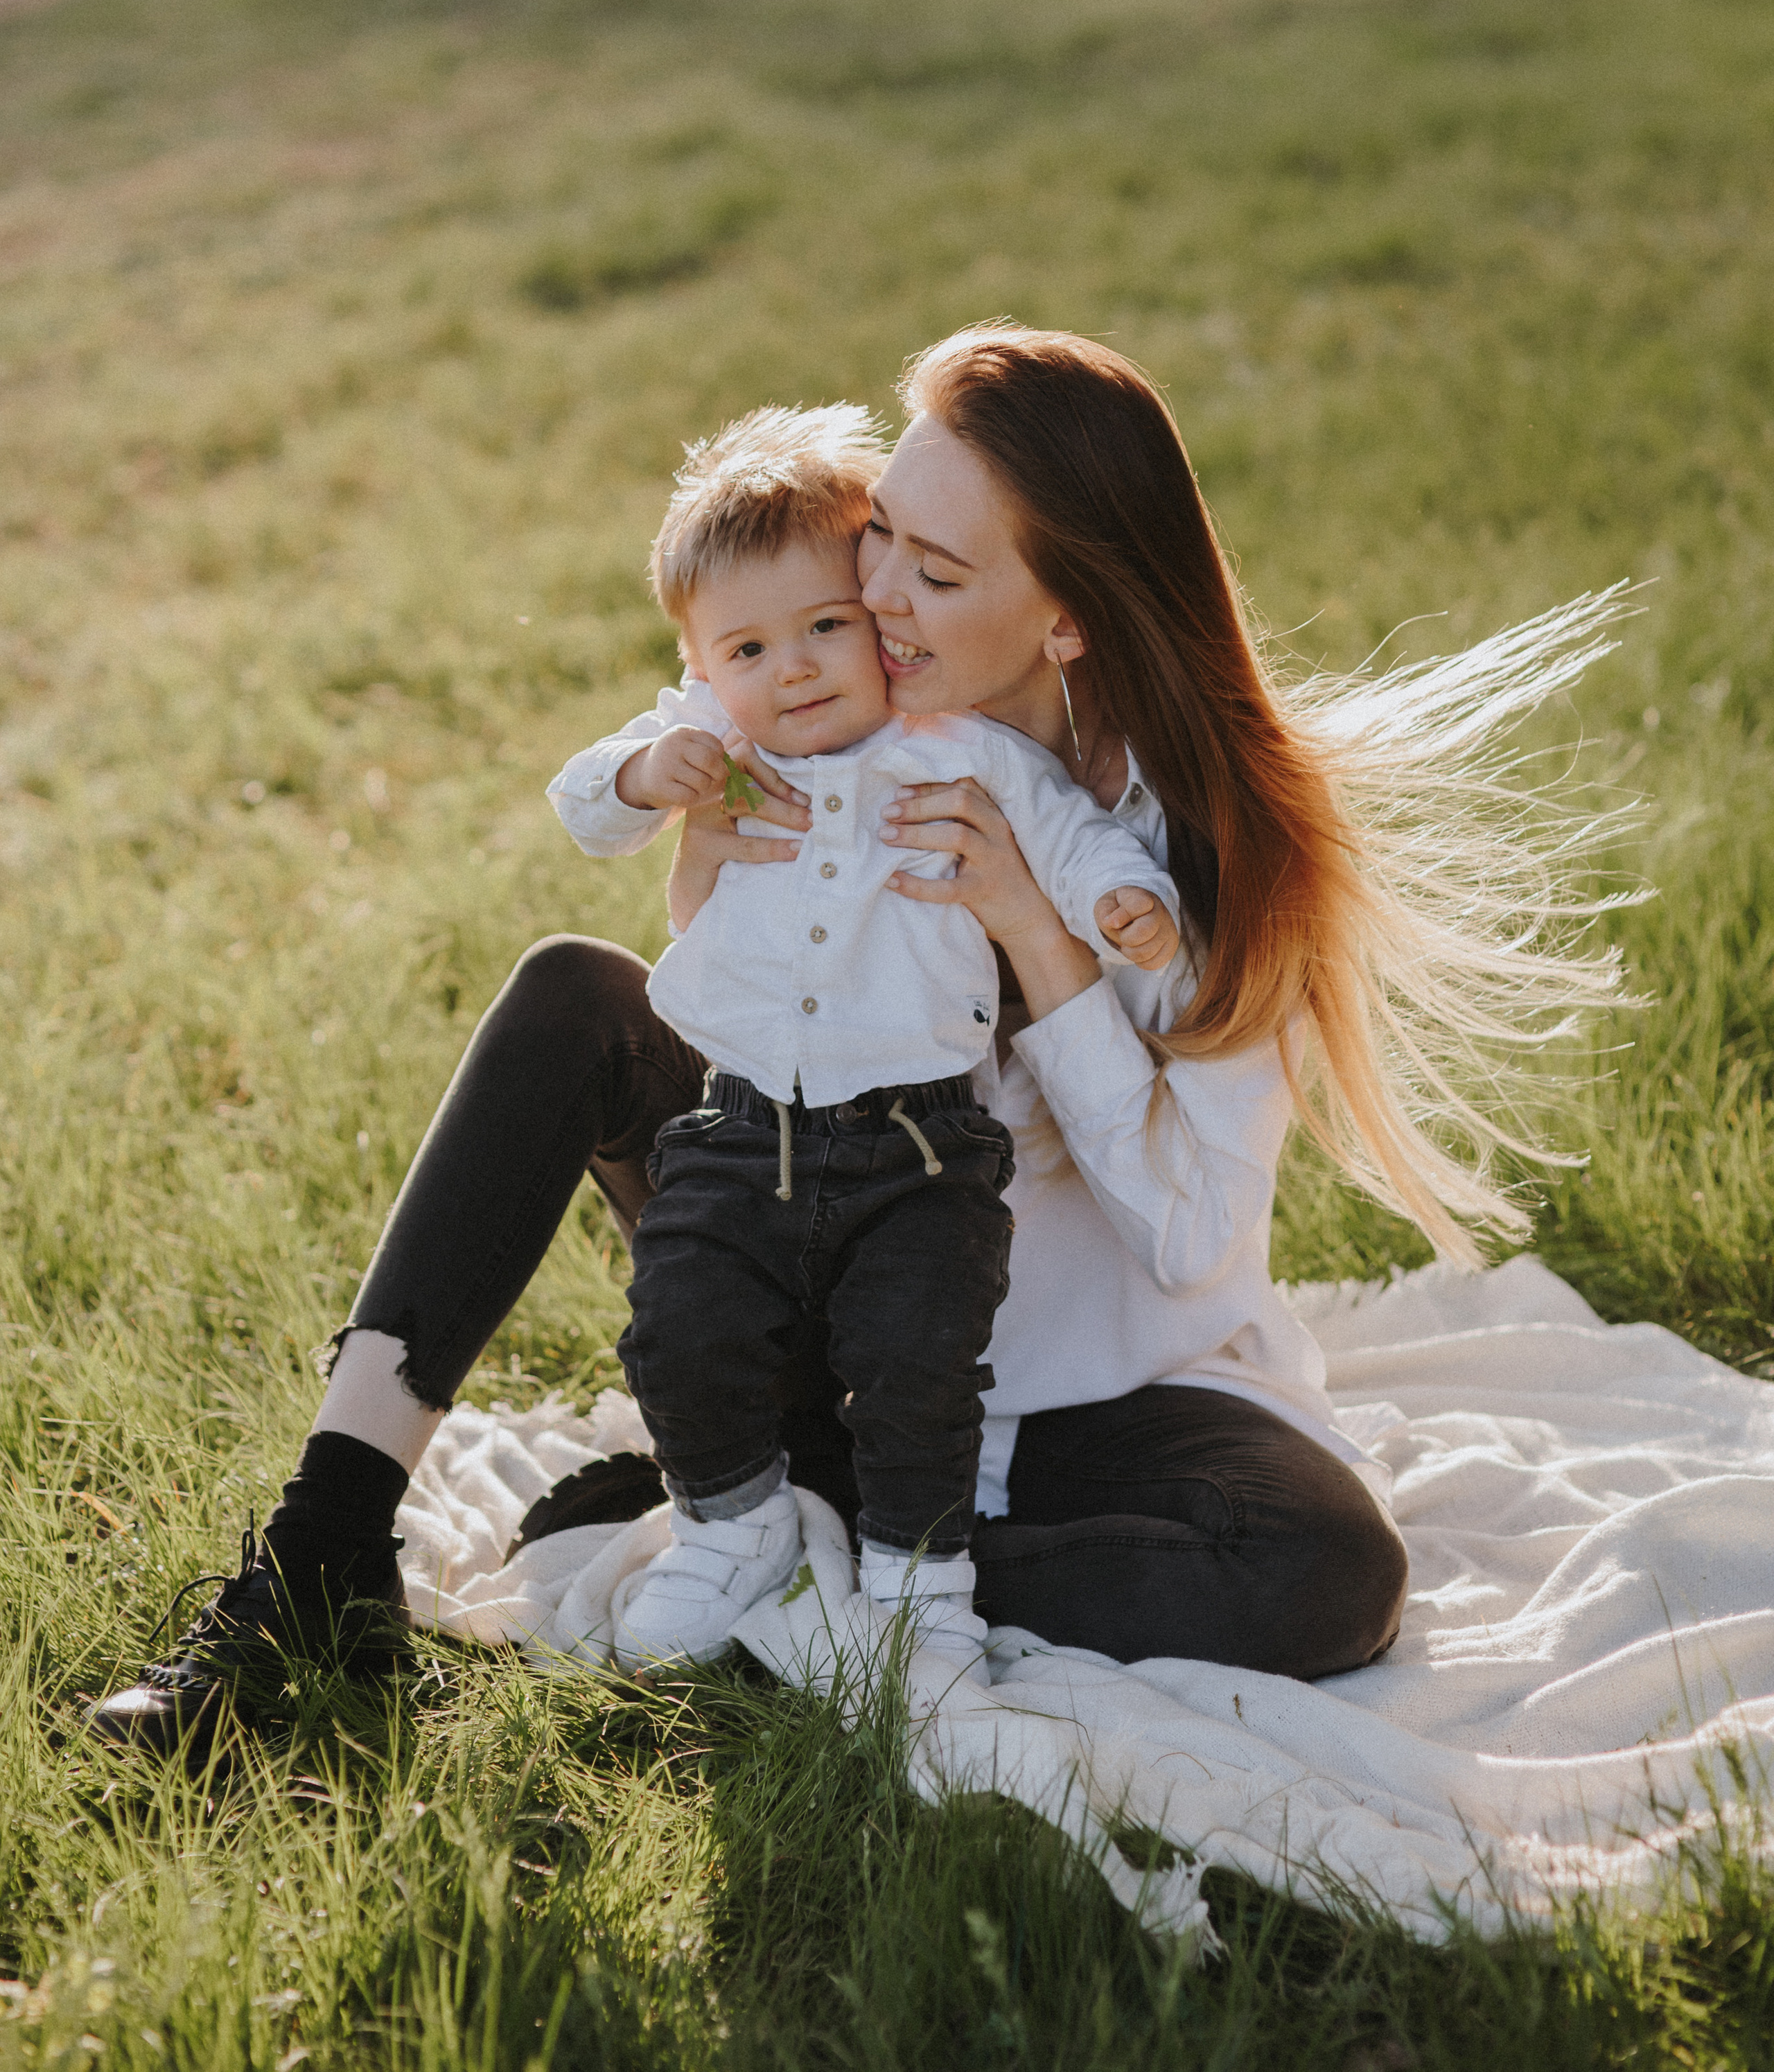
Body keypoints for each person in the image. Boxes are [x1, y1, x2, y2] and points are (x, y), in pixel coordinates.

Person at [87, 323, 1619, 1759]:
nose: (871, 594)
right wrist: (695, 853)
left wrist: (1039, 936)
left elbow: (1190, 1239)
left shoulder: (1200, 857)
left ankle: (786, 1513)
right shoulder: (812, 697)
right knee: (572, 994)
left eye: (932, 571)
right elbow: (705, 920)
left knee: (1323, 1572)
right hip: (804, 1252)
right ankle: (319, 1559)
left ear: (1067, 617)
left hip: (1080, 1395)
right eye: (880, 527)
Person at [551, 401, 1179, 1674]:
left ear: (871, 615)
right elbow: (583, 805)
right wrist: (641, 776)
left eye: (826, 625)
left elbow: (1067, 831)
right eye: (747, 647)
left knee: (921, 1368)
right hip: (740, 1125)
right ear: (703, 664)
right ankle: (733, 1531)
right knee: (680, 1326)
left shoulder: (951, 746)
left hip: (922, 1140)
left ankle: (919, 1583)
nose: (792, 667)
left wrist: (1129, 902)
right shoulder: (713, 742)